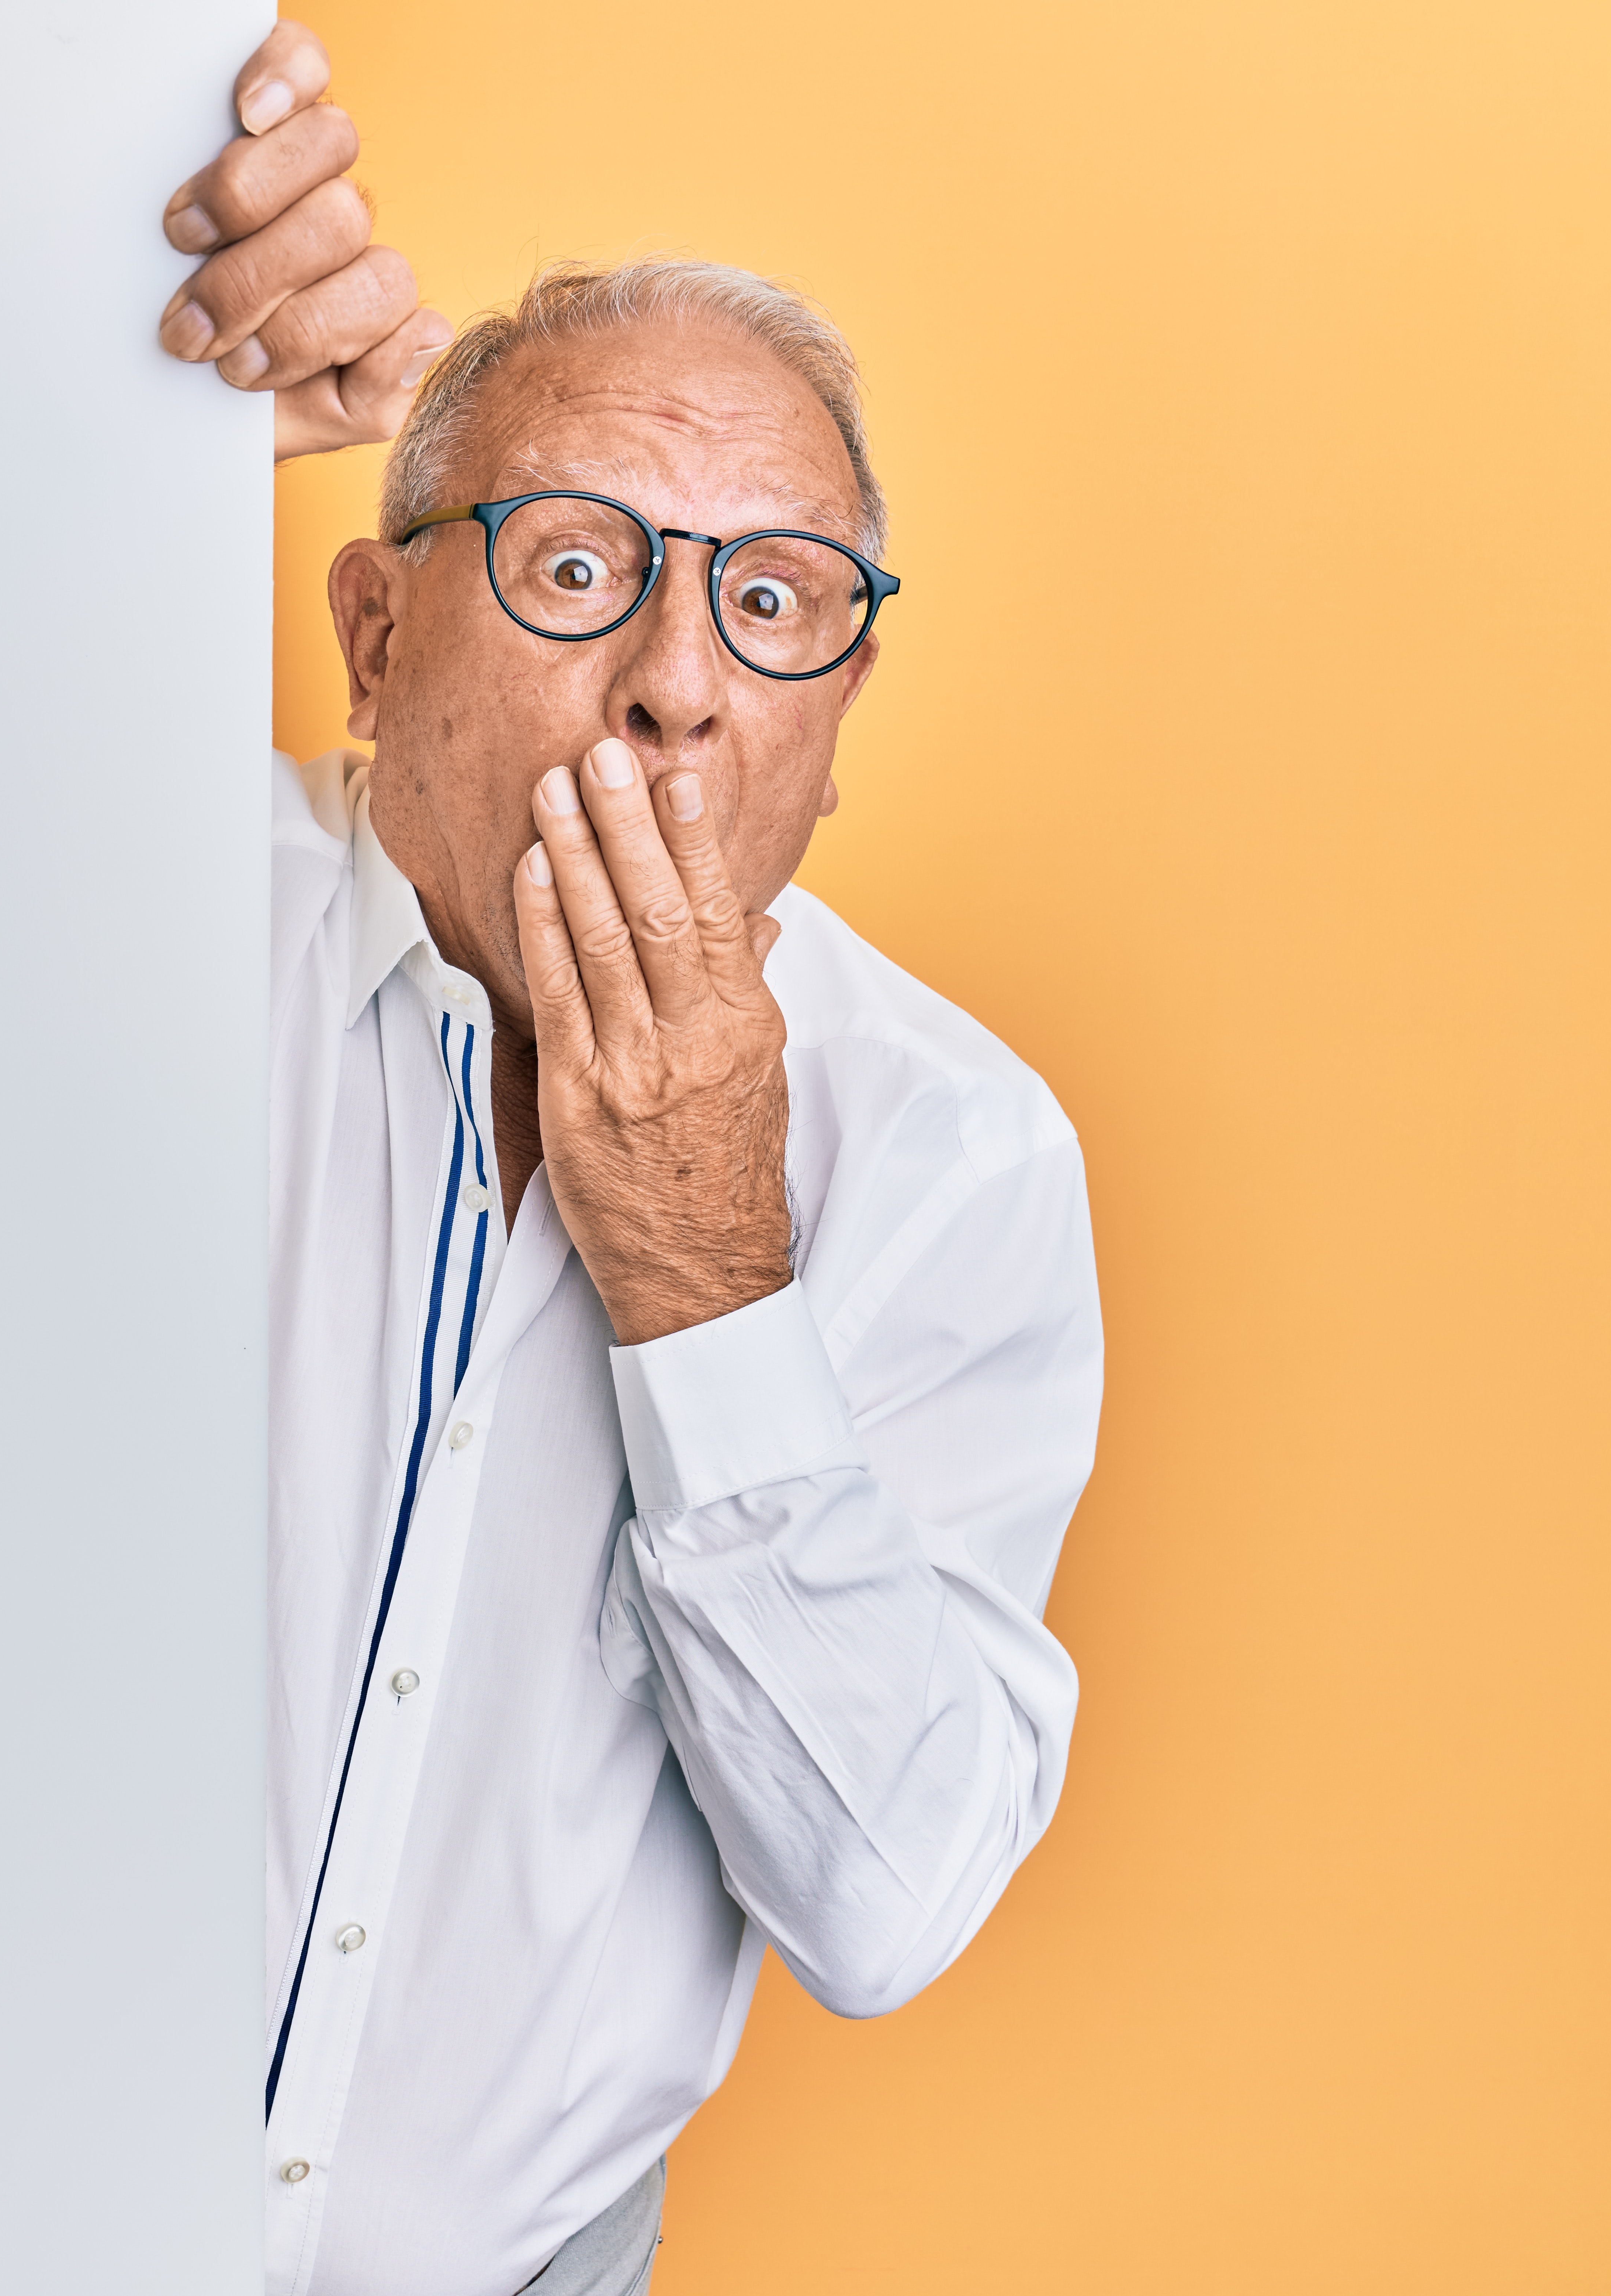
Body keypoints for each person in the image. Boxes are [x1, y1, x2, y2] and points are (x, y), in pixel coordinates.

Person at [163, 30, 1103, 2296]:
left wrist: (709, 1276)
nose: (680, 682)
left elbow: (884, 1897)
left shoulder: (955, 1157)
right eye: (578, 564)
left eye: (777, 604)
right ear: (375, 637)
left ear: (833, 730)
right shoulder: (133, 934)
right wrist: (55, 372)